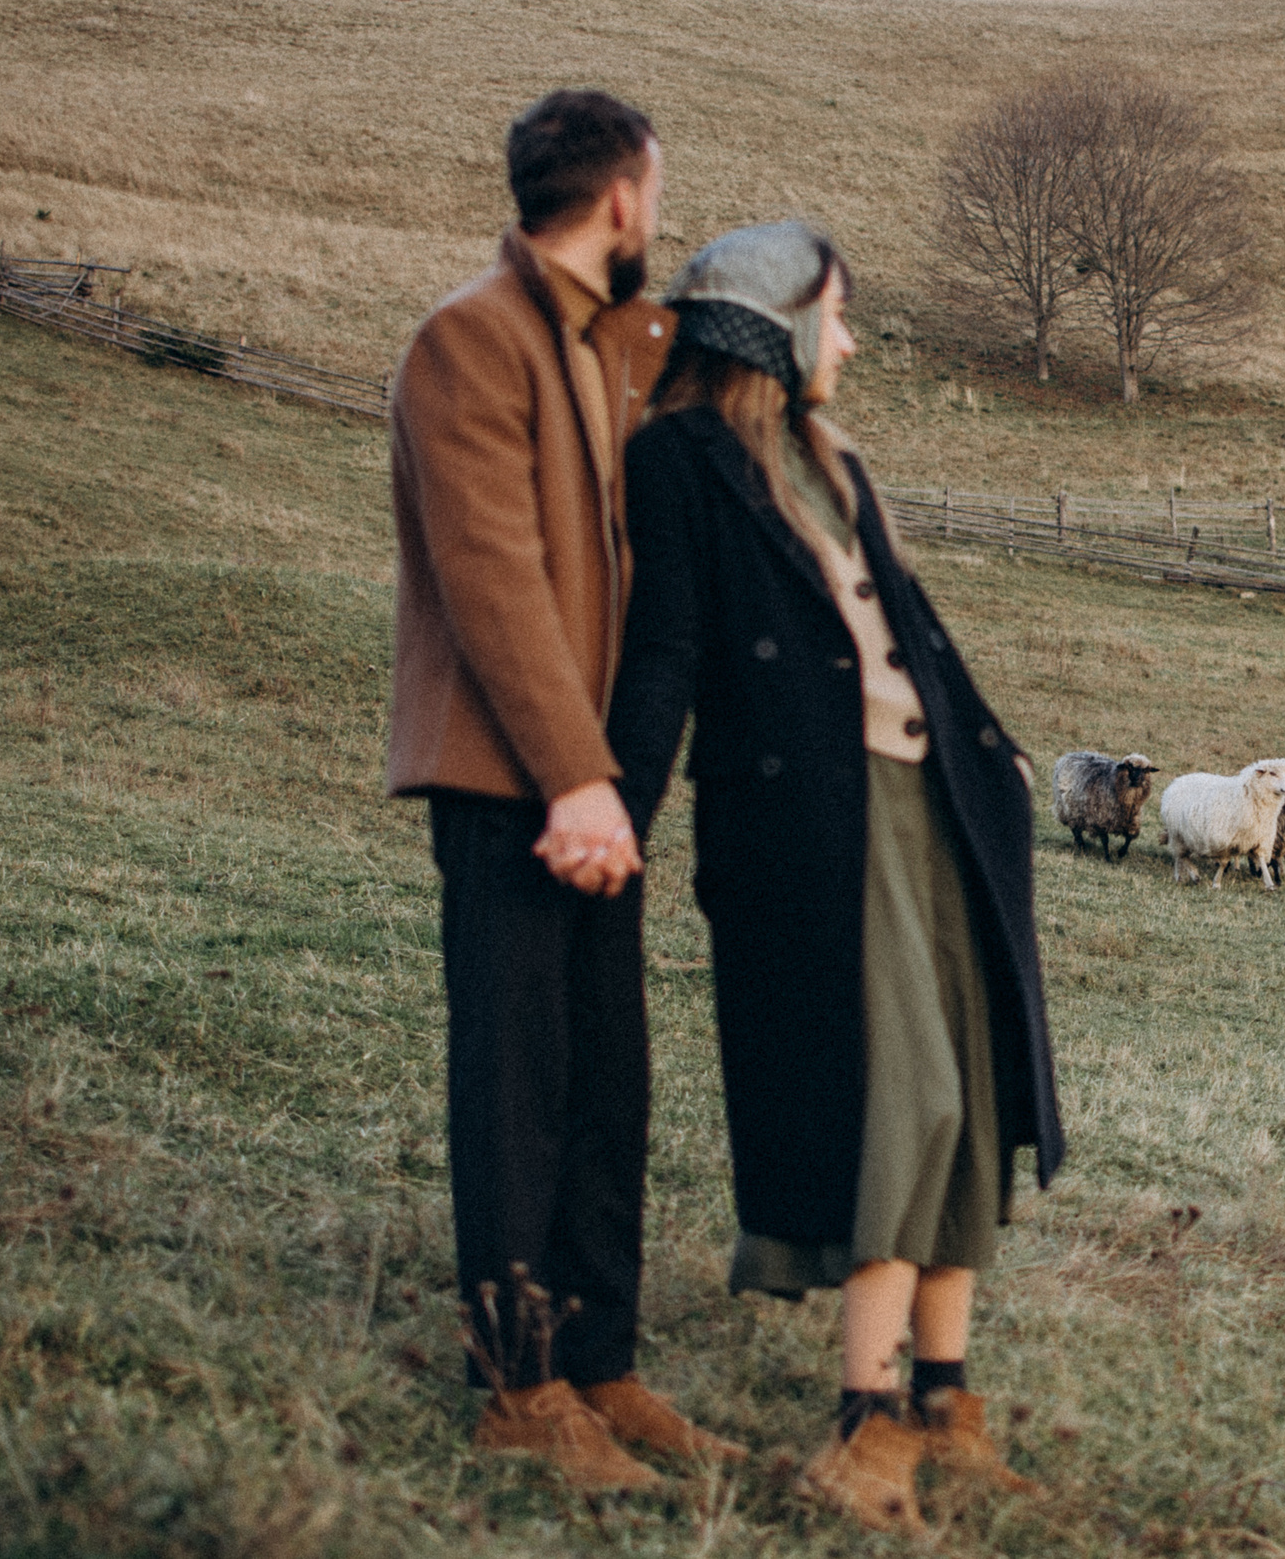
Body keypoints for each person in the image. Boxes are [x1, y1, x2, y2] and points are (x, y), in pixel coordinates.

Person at [606, 221, 1065, 1537]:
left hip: (940, 807)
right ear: (774, 326)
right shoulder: (678, 459)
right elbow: (664, 654)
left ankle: (945, 1404)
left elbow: (909, 628)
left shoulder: (830, 458)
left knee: (971, 1100)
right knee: (900, 1104)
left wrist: (997, 751)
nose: (851, 343)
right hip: (818, 820)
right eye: (837, 316)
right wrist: (618, 809)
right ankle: (862, 1430)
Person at [387, 88, 739, 1492]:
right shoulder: (467, 340)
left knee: (608, 1078)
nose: (660, 214)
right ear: (622, 197)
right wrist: (576, 780)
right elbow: (493, 577)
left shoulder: (623, 348)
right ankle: (520, 1388)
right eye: (657, 189)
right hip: (510, 778)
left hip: (599, 788)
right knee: (516, 1079)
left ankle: (602, 1363)